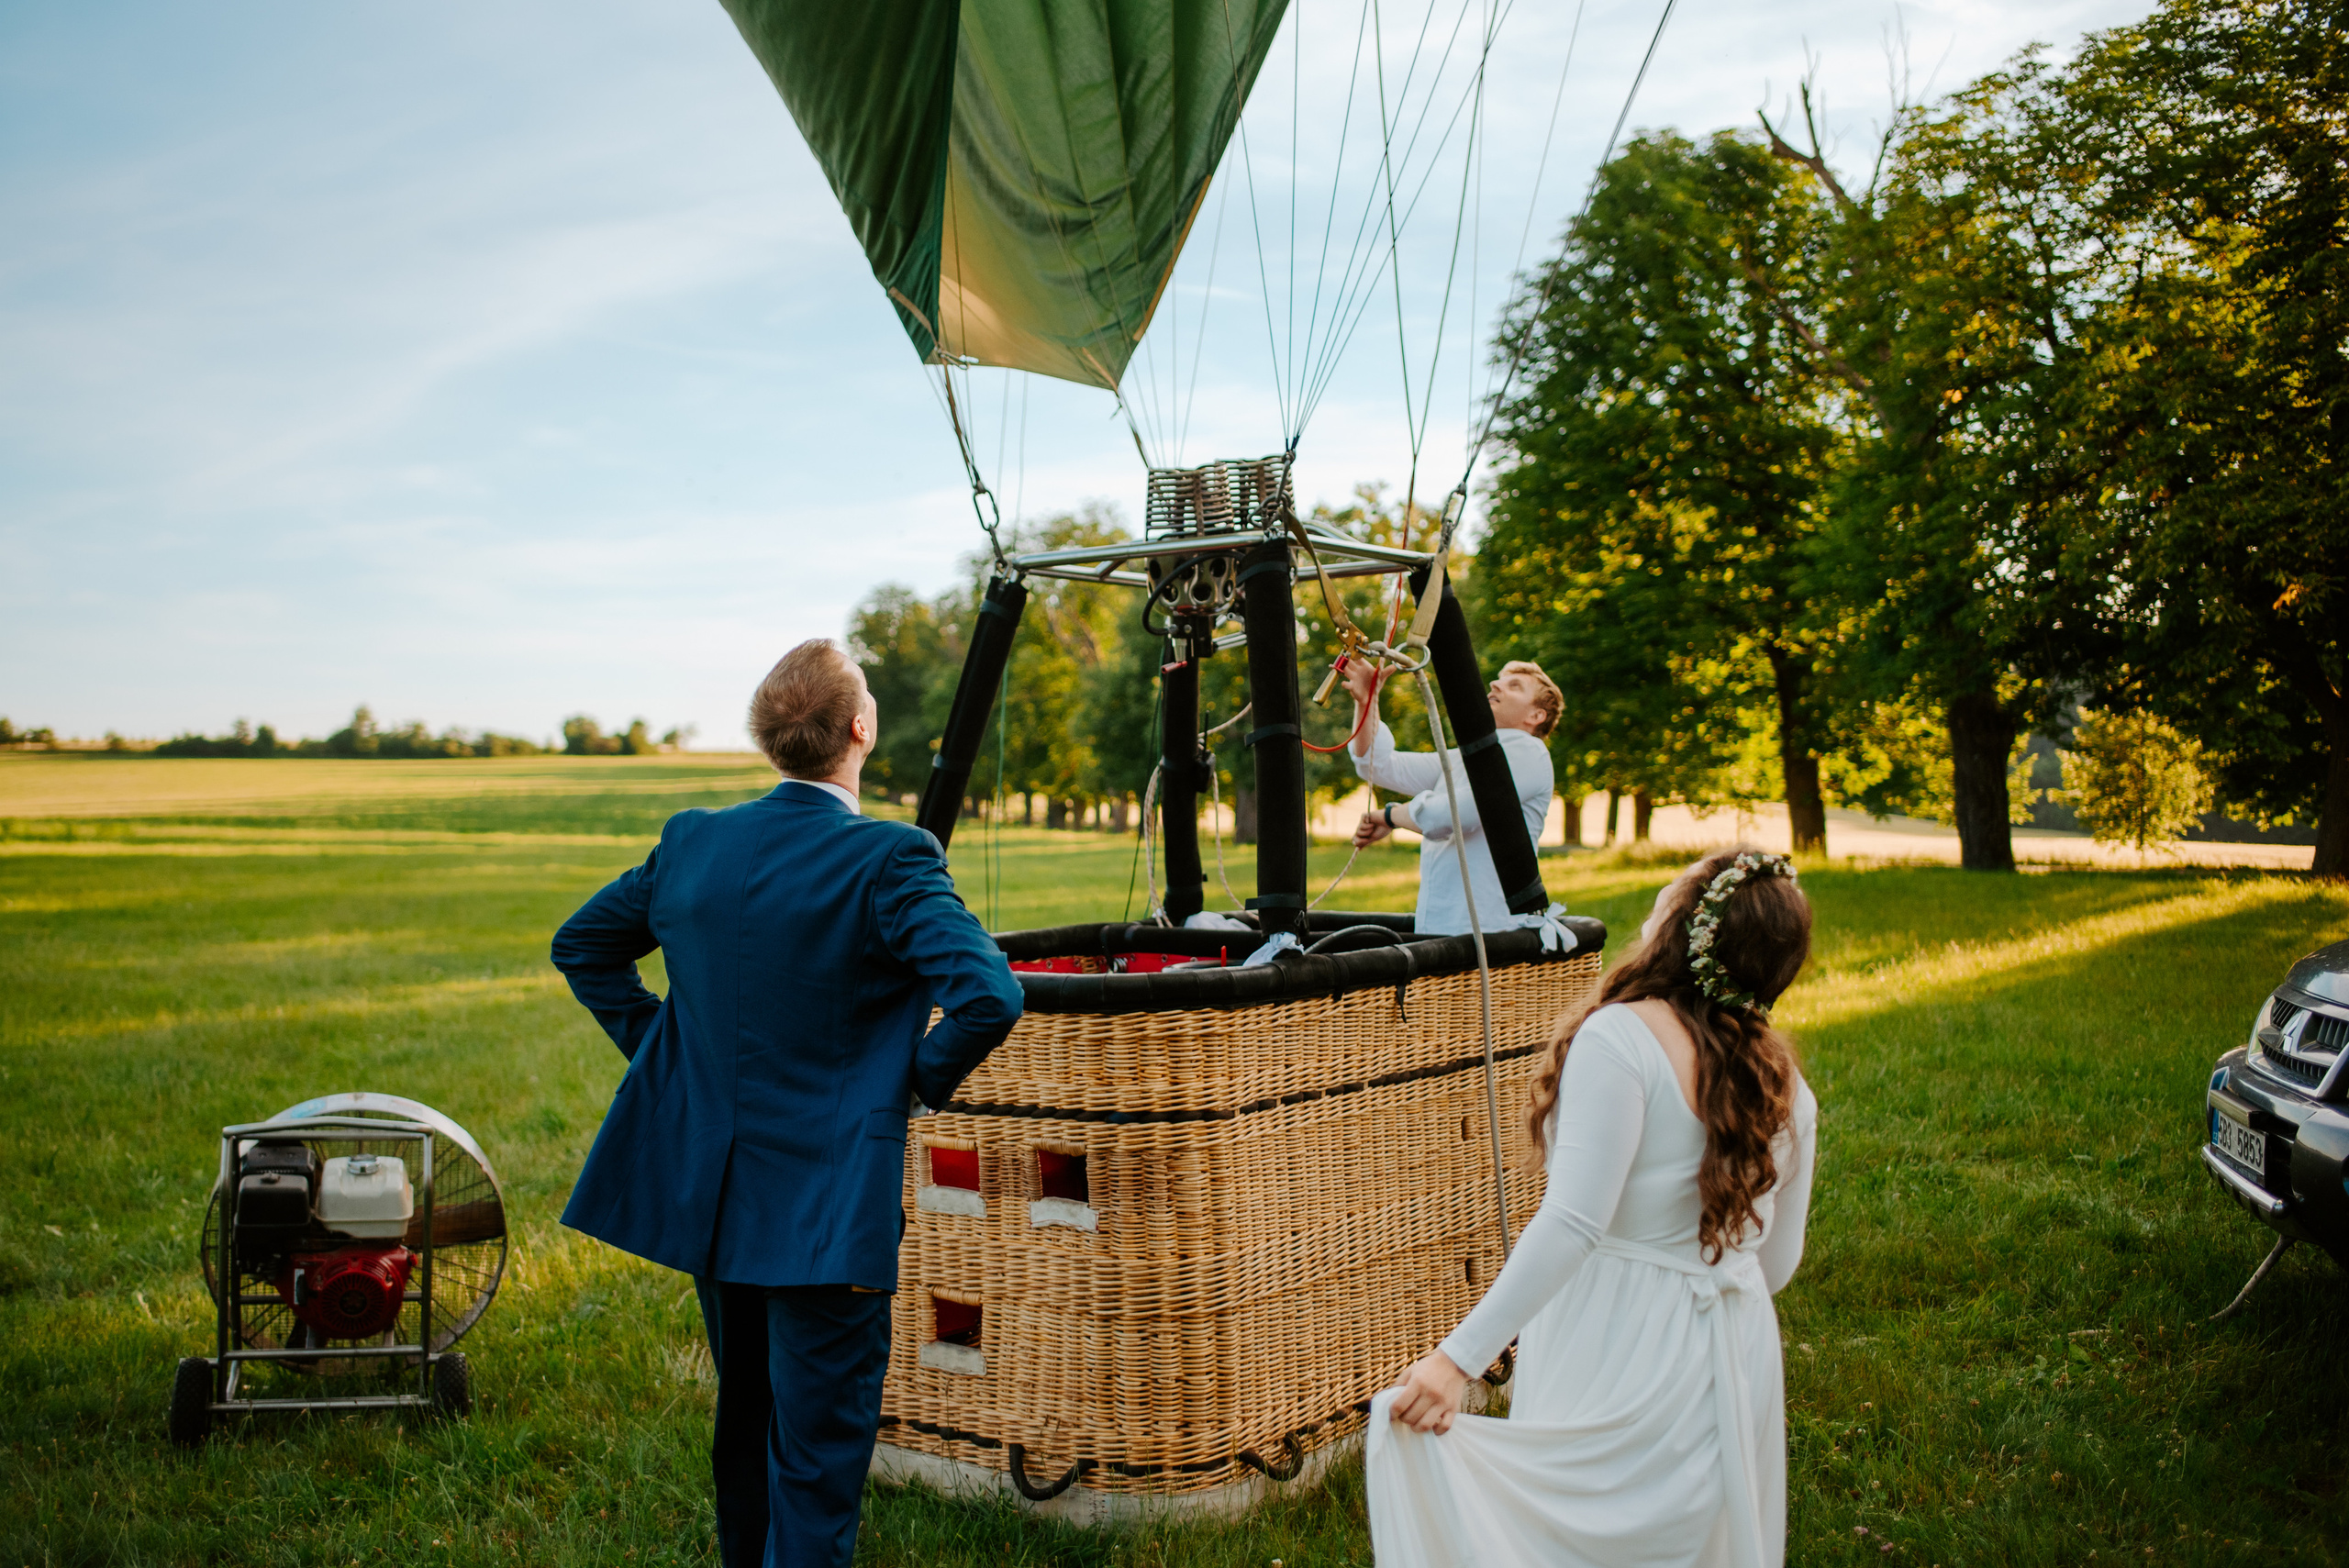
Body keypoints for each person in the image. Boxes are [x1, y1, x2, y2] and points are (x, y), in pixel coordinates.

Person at [550, 639, 1024, 1568]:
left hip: (719, 1199)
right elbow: (989, 994)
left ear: (768, 737)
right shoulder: (891, 857)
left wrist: (668, 1054)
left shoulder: (693, 840)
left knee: (748, 1424)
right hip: (826, 1207)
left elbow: (583, 945)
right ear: (861, 728)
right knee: (815, 1458)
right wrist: (912, 1081)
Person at [1368, 848, 1819, 1568]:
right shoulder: (1787, 1084)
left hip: (1616, 1332)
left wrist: (1456, 1361)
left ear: (1686, 922)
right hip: (1734, 1346)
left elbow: (1574, 1223)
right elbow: (1777, 1263)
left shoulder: (1622, 1037)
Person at [1343, 658, 1562, 936]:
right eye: (1499, 680)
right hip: (1444, 930)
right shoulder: (1465, 759)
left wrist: (1390, 815)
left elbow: (1452, 816)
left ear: (1536, 716)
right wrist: (1367, 702)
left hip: (1493, 936)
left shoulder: (1529, 752)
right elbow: (1377, 765)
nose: (1494, 684)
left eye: (1514, 686)